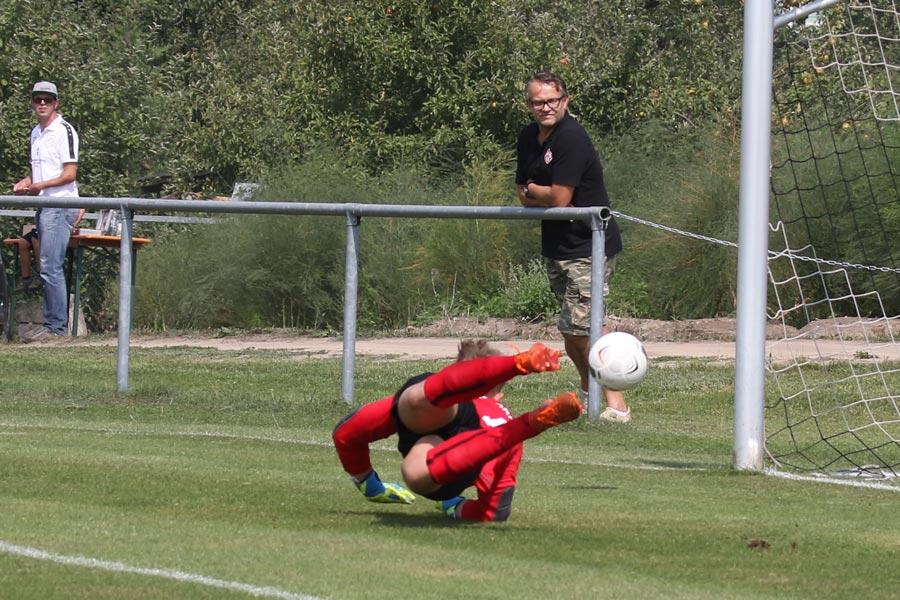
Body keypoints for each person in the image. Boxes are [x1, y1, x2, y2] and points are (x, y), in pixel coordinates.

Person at [332, 340, 582, 522]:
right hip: (480, 429)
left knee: (414, 405)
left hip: (459, 441)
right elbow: (495, 510)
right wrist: (458, 506)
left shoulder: (444, 403)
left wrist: (369, 485)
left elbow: (347, 434)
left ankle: (517, 367)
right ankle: (529, 418)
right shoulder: (499, 416)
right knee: (415, 459)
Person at [515, 71, 631, 423]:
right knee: (572, 328)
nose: (546, 107)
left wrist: (537, 191)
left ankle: (617, 406)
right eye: (538, 101)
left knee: (584, 326)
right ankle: (588, 390)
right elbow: (520, 193)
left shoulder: (572, 138)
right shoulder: (527, 136)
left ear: (565, 100)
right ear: (529, 105)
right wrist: (537, 193)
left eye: (552, 100)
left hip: (589, 243)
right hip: (557, 245)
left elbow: (561, 199)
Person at [12, 81, 83, 342]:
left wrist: (40, 185)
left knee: (51, 266)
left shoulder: (64, 131)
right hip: (44, 205)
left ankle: (56, 329)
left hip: (61, 204)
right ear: (32, 103)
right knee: (47, 266)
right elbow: (39, 170)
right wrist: (26, 182)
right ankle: (52, 325)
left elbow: (69, 174)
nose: (42, 103)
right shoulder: (35, 133)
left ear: (56, 103)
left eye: (47, 99)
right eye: (37, 99)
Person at [11, 219, 41, 293]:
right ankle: (26, 279)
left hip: (54, 226)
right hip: (41, 225)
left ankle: (40, 275)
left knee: (36, 238)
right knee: (23, 242)